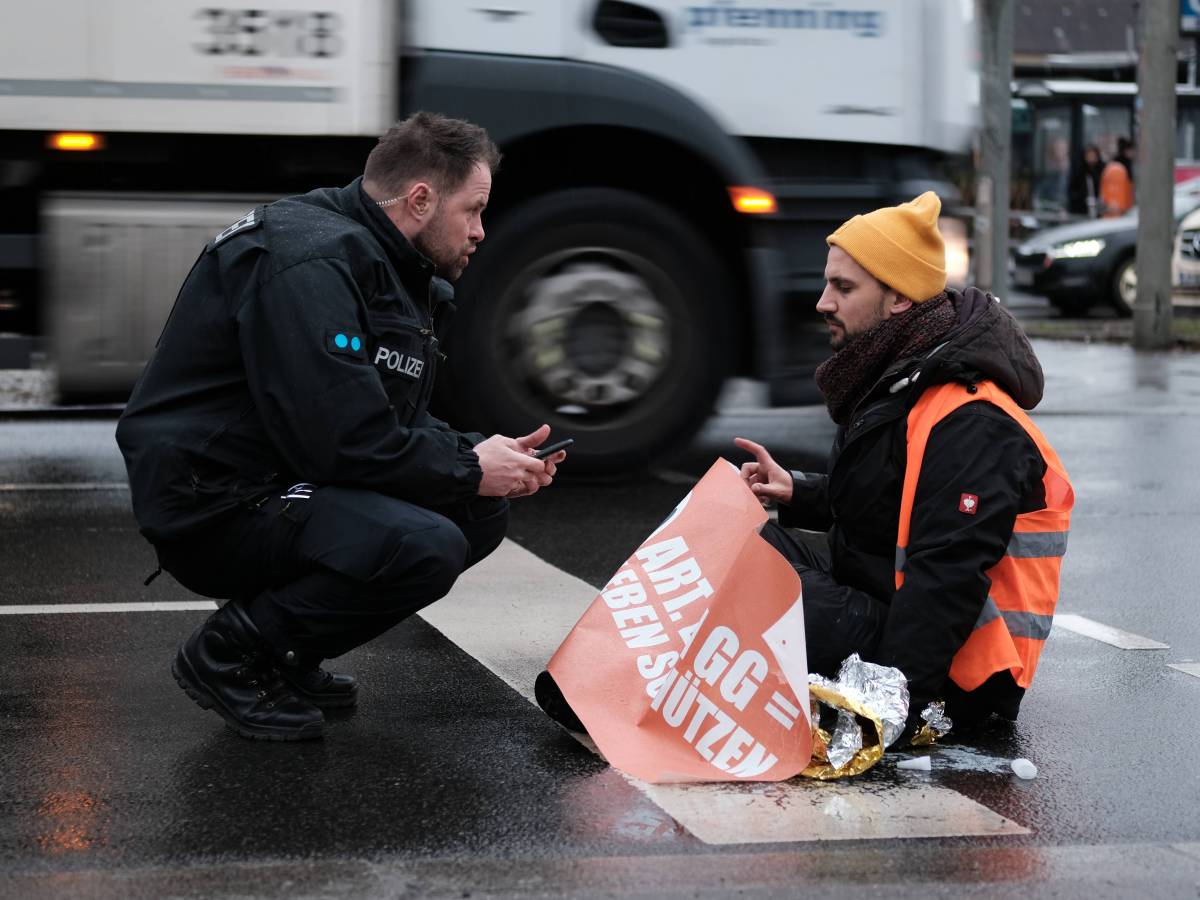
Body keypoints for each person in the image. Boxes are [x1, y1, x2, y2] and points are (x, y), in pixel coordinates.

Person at [116, 112, 568, 742]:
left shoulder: (381, 258)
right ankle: (228, 656)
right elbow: (342, 442)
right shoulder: (312, 261)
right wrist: (468, 467)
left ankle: (286, 654)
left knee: (476, 513)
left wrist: (482, 457)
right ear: (419, 201)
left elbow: (381, 419)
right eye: (473, 210)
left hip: (275, 478)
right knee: (424, 543)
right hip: (214, 501)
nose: (481, 231)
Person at [735, 192, 1074, 743]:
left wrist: (889, 705)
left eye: (843, 288)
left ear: (897, 299)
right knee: (732, 547)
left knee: (753, 591)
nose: (823, 302)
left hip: (961, 674)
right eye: (828, 284)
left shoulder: (971, 419)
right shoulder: (897, 375)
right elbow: (891, 505)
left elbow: (947, 577)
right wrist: (796, 492)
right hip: (887, 611)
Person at [1100, 137, 1135, 218]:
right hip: (1118, 205)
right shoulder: (1120, 166)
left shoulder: (1115, 164)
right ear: (1127, 150)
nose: (1133, 153)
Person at [1067, 144, 1105, 217]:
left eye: (1093, 156)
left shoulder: (1102, 170)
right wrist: (1083, 198)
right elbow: (1072, 192)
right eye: (1089, 156)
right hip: (1082, 210)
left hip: (1099, 209)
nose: (1091, 159)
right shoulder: (1079, 172)